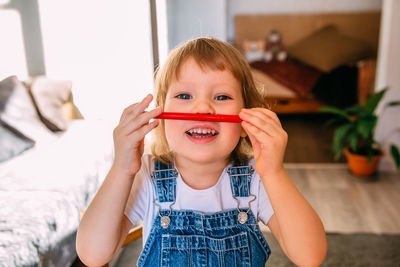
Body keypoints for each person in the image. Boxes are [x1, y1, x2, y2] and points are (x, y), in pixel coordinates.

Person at [76, 37, 327, 266]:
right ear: (162, 116)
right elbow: (92, 254)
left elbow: (310, 256)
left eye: (222, 97)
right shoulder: (144, 175)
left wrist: (274, 172)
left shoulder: (257, 178)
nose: (203, 108)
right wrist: (121, 169)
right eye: (184, 95)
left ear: (245, 122)